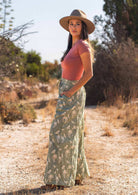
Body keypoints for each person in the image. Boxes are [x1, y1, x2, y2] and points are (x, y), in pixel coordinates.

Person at [42, 9, 95, 190]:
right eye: (71, 24)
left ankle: (60, 178)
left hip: (73, 92)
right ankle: (76, 175)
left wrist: (71, 91)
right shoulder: (73, 46)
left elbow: (89, 74)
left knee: (60, 134)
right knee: (73, 135)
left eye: (77, 23)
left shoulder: (83, 45)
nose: (73, 26)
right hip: (66, 91)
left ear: (83, 27)